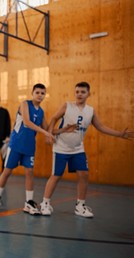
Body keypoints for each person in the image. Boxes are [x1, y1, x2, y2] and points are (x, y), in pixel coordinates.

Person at [40, 81, 134, 218]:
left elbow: (101, 127)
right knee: (56, 175)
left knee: (84, 174)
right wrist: (49, 134)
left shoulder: (90, 111)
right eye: (77, 91)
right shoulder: (67, 106)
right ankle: (45, 203)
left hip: (78, 149)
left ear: (88, 94)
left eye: (82, 92)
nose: (79, 94)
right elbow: (54, 118)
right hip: (61, 148)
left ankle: (80, 206)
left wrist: (119, 134)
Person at [0, 83, 55, 214]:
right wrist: (46, 133)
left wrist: (65, 129)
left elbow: (48, 129)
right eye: (37, 92)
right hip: (16, 144)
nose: (40, 95)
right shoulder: (25, 104)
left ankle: (28, 202)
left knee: (29, 173)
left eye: (42, 93)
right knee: (7, 172)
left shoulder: (41, 112)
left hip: (29, 147)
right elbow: (27, 122)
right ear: (32, 93)